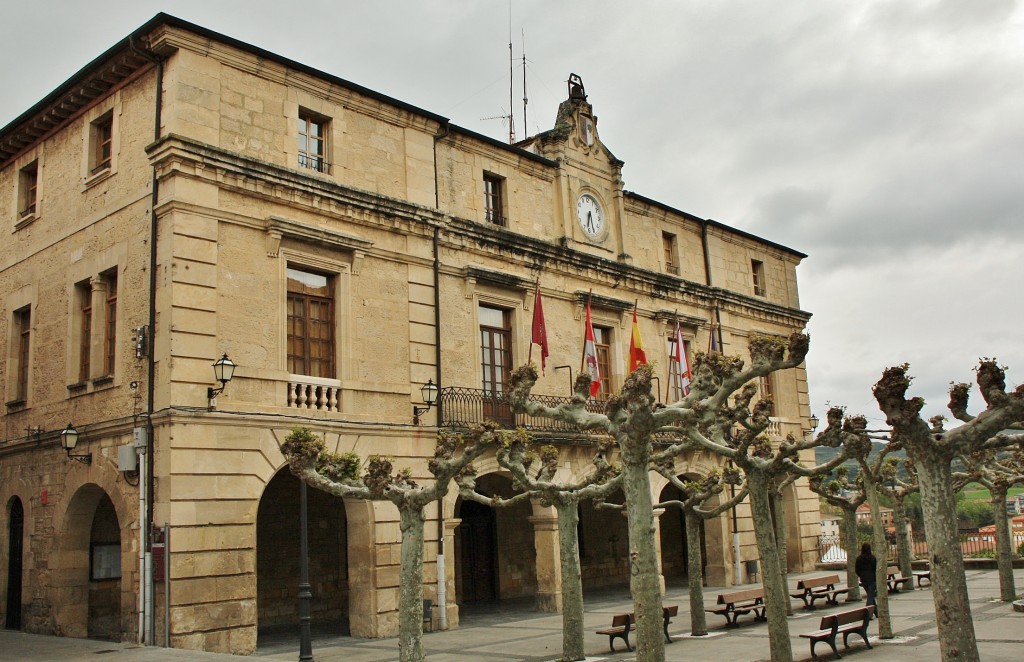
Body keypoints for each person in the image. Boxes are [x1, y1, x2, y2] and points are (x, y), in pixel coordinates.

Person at [855, 542, 878, 615]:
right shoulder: (873, 558)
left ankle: (876, 612)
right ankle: (868, 614)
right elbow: (875, 568)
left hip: (864, 579)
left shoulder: (859, 558)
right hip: (872, 579)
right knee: (870, 597)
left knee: (870, 595)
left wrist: (861, 575)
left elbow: (857, 569)